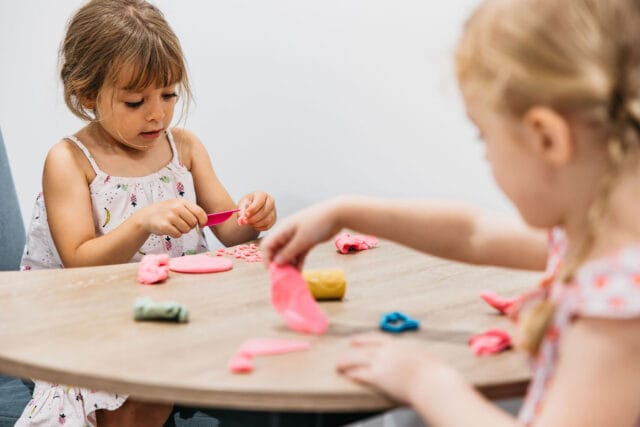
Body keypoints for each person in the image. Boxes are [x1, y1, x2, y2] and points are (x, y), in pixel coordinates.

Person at [261, 0, 640, 425]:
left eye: (484, 138)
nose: (486, 155)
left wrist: (425, 380)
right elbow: (473, 232)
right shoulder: (596, 240)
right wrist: (345, 212)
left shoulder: (617, 306)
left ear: (546, 138)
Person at [17, 0, 276, 425]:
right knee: (140, 394)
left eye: (169, 94)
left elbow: (232, 232)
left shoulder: (185, 148)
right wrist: (141, 222)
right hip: (83, 318)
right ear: (86, 95)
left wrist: (255, 214)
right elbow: (79, 263)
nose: (157, 112)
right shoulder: (70, 160)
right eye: (135, 101)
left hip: (168, 314)